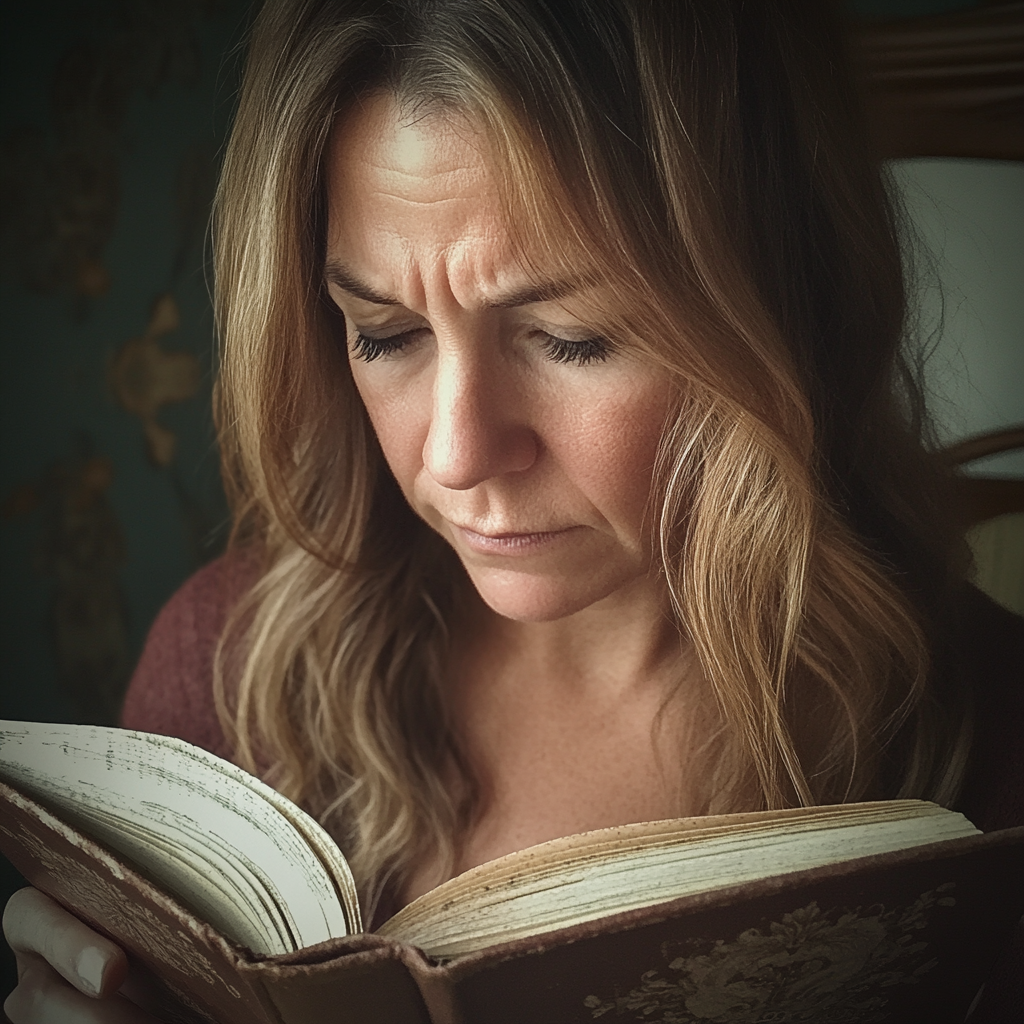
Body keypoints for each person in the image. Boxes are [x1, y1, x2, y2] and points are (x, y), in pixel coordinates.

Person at [5, 0, 1022, 1020]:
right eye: (385, 332)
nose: (455, 455)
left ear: (784, 301)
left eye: (570, 337)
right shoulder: (221, 673)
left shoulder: (988, 744)